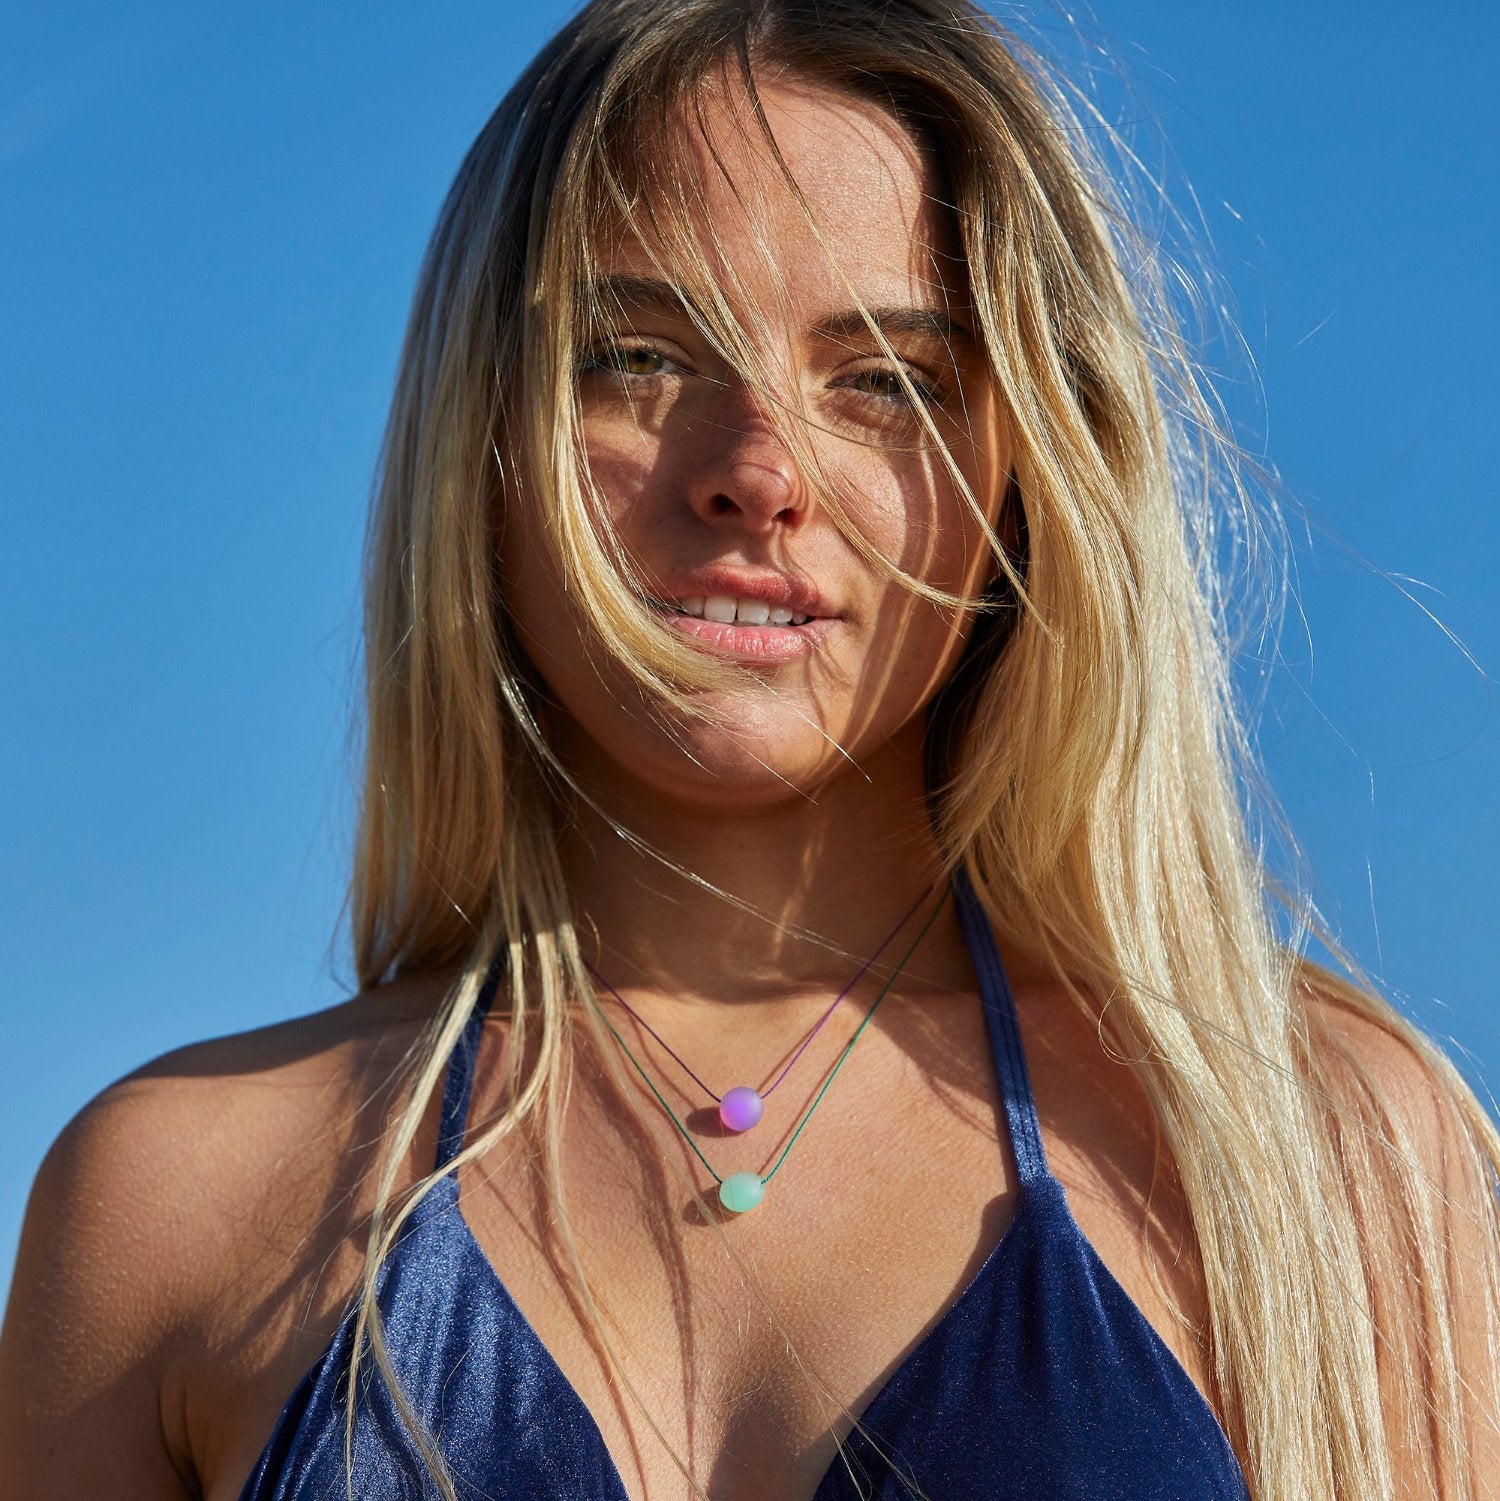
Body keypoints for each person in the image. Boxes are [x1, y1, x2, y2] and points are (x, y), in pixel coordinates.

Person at [2, 1, 1497, 1496]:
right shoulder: (173, 1203)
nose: (757, 475)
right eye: (638, 355)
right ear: (484, 441)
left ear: (1033, 461)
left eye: (887, 380)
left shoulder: (1313, 1149)